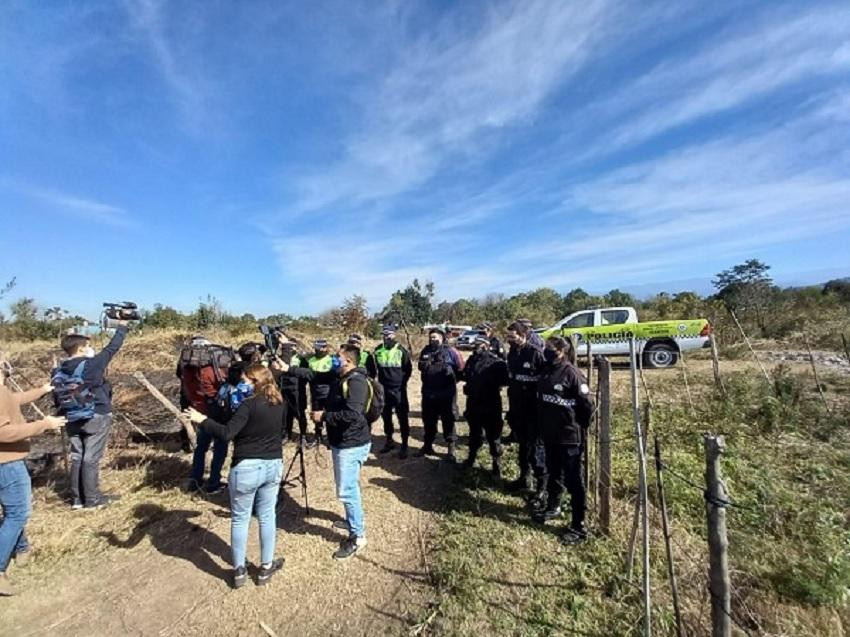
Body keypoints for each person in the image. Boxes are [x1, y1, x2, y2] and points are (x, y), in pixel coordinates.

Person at [185, 364, 285, 588]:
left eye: (246, 380)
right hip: (272, 465)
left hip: (247, 467)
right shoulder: (279, 402)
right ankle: (266, 567)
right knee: (267, 516)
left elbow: (227, 433)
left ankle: (239, 570)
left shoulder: (247, 406)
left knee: (240, 519)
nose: (242, 384)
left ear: (255, 382)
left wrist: (202, 420)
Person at [0, 354, 66, 596]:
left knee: (10, 510)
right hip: (6, 463)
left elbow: (13, 399)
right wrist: (43, 424)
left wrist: (41, 390)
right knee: (19, 513)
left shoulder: (2, 391)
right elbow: (3, 433)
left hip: (5, 463)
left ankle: (21, 548)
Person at [54, 324, 128, 510]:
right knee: (90, 458)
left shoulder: (59, 370)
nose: (89, 349)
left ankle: (78, 499)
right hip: (96, 414)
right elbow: (112, 348)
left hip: (71, 416)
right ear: (80, 348)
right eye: (86, 346)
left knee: (77, 457)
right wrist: (123, 326)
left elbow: (56, 396)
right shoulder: (90, 365)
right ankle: (93, 500)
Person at [311, 345, 372, 560]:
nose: (334, 360)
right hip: (343, 442)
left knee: (346, 490)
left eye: (337, 357)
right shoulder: (342, 377)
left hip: (351, 444)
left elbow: (353, 414)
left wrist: (324, 416)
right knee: (349, 486)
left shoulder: (355, 382)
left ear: (348, 360)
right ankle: (351, 520)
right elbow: (312, 374)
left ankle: (358, 536)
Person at [534, 336, 593, 545]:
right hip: (550, 435)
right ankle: (553, 507)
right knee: (554, 473)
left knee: (574, 481)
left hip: (569, 438)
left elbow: (587, 406)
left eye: (549, 348)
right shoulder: (547, 369)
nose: (545, 351)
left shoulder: (572, 373)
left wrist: (577, 425)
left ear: (560, 350)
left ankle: (579, 526)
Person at [178, 336, 227, 493]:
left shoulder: (186, 369)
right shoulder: (211, 370)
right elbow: (223, 384)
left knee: (201, 447)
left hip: (199, 411)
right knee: (220, 447)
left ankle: (195, 479)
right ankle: (213, 482)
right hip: (217, 413)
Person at [505, 321, 547, 500]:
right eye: (508, 337)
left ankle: (542, 489)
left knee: (536, 450)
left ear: (523, 336)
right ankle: (524, 479)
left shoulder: (535, 354)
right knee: (522, 446)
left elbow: (545, 380)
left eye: (513, 337)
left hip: (534, 411)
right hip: (517, 408)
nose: (510, 341)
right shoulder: (513, 352)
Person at [461, 336, 509, 477]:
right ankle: (471, 459)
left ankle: (496, 464)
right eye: (474, 345)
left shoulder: (496, 363)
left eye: (479, 345)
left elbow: (505, 381)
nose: (476, 347)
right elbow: (466, 375)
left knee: (494, 436)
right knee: (474, 434)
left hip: (490, 404)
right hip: (474, 403)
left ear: (486, 346)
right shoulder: (471, 360)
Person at [416, 327, 464, 461]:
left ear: (442, 338)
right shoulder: (425, 351)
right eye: (431, 338)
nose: (432, 340)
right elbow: (420, 366)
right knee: (428, 421)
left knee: (448, 421)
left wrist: (452, 378)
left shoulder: (451, 351)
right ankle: (427, 445)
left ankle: (451, 448)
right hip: (429, 393)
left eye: (435, 337)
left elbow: (461, 369)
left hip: (446, 394)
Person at [373, 326, 413, 458]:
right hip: (384, 389)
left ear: (394, 335)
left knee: (402, 417)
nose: (386, 337)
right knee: (386, 416)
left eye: (389, 334)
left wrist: (401, 384)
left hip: (399, 390)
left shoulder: (401, 350)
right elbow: (376, 369)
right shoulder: (378, 350)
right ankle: (389, 440)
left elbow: (408, 369)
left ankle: (405, 444)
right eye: (384, 334)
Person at [277, 342, 309, 446]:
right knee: (286, 413)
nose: (291, 348)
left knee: (300, 413)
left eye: (293, 345)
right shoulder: (282, 357)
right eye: (289, 346)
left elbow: (305, 374)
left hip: (297, 389)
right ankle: (287, 434)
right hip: (284, 388)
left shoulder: (301, 359)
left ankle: (303, 435)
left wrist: (300, 384)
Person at [306, 339, 338, 444]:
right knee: (315, 415)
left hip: (328, 393)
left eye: (320, 347)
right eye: (316, 347)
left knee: (328, 416)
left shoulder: (331, 359)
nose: (318, 350)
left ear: (325, 348)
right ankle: (317, 436)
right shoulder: (311, 360)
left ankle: (330, 437)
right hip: (315, 393)